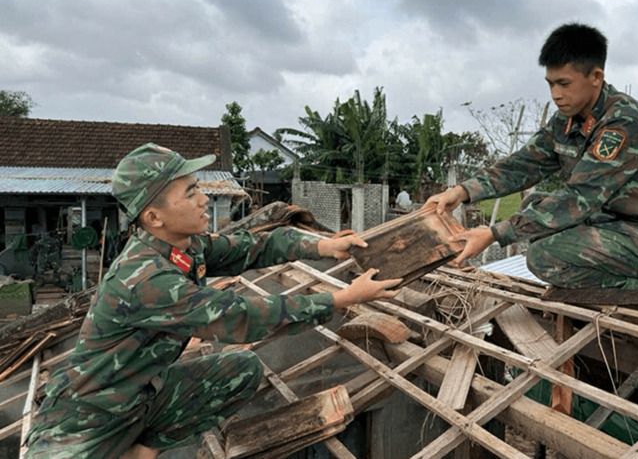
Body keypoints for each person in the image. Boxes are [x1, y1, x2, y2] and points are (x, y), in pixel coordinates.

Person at [25, 143, 401, 459]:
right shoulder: (146, 279)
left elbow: (255, 245)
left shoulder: (183, 247)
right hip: (90, 416)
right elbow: (239, 317)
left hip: (141, 391)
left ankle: (144, 448)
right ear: (154, 217)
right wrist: (341, 299)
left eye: (197, 187)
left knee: (241, 371)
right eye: (189, 193)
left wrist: (322, 245)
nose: (204, 199)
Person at [427, 23, 638, 304]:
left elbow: (581, 196)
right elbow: (523, 164)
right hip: (615, 224)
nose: (556, 94)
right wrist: (462, 192)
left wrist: (495, 233)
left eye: (564, 84)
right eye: (550, 84)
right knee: (533, 210)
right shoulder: (567, 120)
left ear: (596, 76)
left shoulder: (624, 122)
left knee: (543, 256)